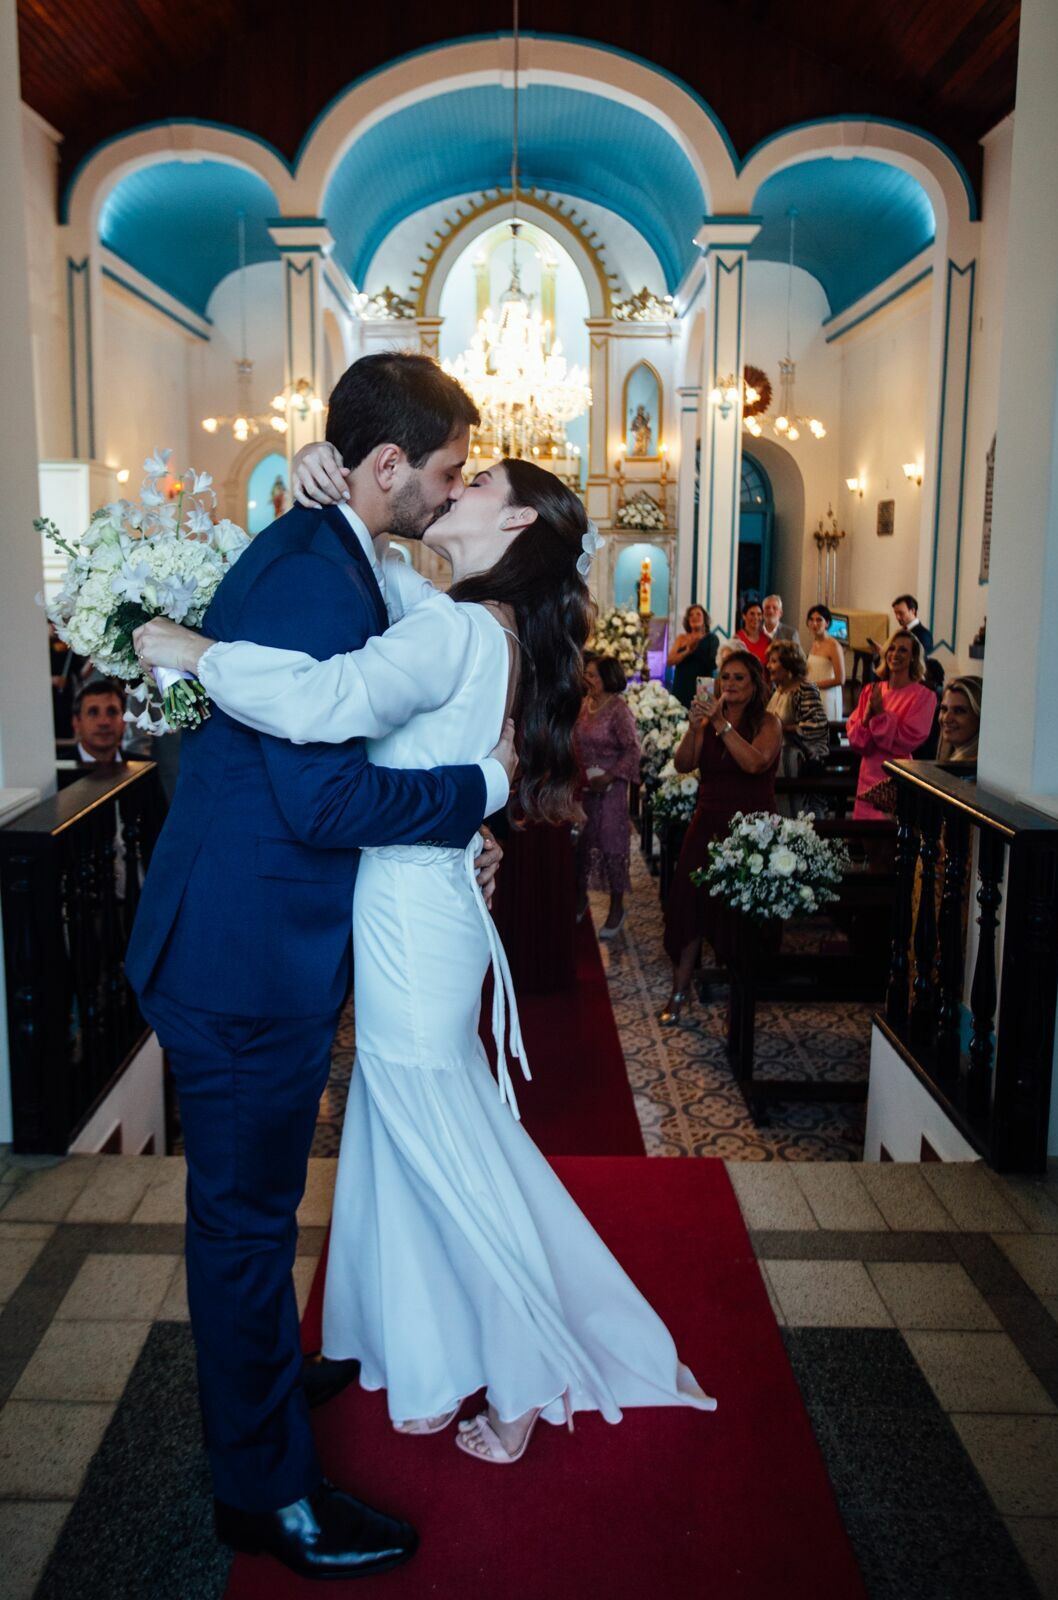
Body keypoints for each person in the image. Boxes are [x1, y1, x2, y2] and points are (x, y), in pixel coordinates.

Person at [136, 447, 715, 1489]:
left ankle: (527, 1366)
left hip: (411, 914)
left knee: (438, 1139)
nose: (454, 490)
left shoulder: (457, 630)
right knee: (426, 1131)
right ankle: (437, 1342)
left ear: (516, 529)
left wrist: (196, 649)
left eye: (479, 483)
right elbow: (384, 575)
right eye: (454, 470)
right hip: (422, 905)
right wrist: (332, 480)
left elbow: (327, 699)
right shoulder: (469, 623)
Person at [125, 353, 517, 1583]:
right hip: (244, 956)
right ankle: (265, 1492)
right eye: (446, 470)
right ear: (388, 466)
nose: (451, 490)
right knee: (244, 1228)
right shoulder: (313, 571)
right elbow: (325, 791)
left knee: (254, 1216)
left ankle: (265, 1374)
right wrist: (480, 796)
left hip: (259, 936)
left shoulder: (338, 549)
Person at [658, 650, 781, 1025]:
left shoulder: (768, 722)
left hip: (750, 829)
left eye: (739, 678)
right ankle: (679, 991)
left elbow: (755, 762)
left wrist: (722, 726)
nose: (729, 684)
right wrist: (696, 728)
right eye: (725, 677)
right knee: (690, 905)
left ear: (755, 683)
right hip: (708, 821)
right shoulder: (710, 721)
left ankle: (738, 996)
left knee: (740, 916)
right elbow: (683, 765)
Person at [574, 654, 642, 939]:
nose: (588, 679)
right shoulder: (584, 705)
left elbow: (633, 749)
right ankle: (579, 900)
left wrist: (611, 776)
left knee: (612, 845)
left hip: (611, 790)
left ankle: (616, 907)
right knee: (582, 843)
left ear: (608, 678)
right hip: (586, 787)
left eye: (593, 675)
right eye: (587, 673)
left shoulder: (618, 710)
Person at [846, 629, 937, 819]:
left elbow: (906, 741)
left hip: (895, 775)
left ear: (913, 657)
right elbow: (858, 743)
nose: (895, 654)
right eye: (892, 649)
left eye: (903, 650)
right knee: (864, 838)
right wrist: (867, 717)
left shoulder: (923, 696)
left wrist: (879, 715)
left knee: (890, 841)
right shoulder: (871, 690)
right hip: (867, 772)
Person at [765, 640, 829, 817]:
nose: (768, 666)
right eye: (769, 660)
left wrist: (781, 727)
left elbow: (815, 727)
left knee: (798, 814)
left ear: (789, 664)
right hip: (777, 761)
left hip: (800, 764)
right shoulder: (778, 690)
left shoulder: (805, 689)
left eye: (774, 661)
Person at [666, 603, 716, 707]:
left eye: (698, 614)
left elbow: (712, 664)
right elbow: (669, 661)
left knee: (702, 715)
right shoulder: (681, 638)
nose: (694, 617)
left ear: (704, 619)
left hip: (703, 685)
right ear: (688, 620)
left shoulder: (712, 639)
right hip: (682, 684)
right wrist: (687, 651)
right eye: (691, 615)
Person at [71, 678, 126, 769]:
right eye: (93, 713)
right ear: (76, 722)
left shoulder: (143, 769)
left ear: (124, 721)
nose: (104, 722)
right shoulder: (55, 773)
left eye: (112, 712)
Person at [805, 604, 845, 722]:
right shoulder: (815, 643)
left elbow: (840, 679)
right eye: (811, 620)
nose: (814, 624)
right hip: (813, 695)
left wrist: (814, 685)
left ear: (827, 623)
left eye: (819, 620)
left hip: (827, 697)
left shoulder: (834, 646)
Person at [937, 675, 982, 761]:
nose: (946, 718)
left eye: (959, 711)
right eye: (944, 709)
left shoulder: (973, 771)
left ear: (979, 717)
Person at [732, 597, 770, 665]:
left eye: (759, 614)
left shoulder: (767, 640)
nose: (756, 617)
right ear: (744, 616)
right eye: (752, 614)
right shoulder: (737, 639)